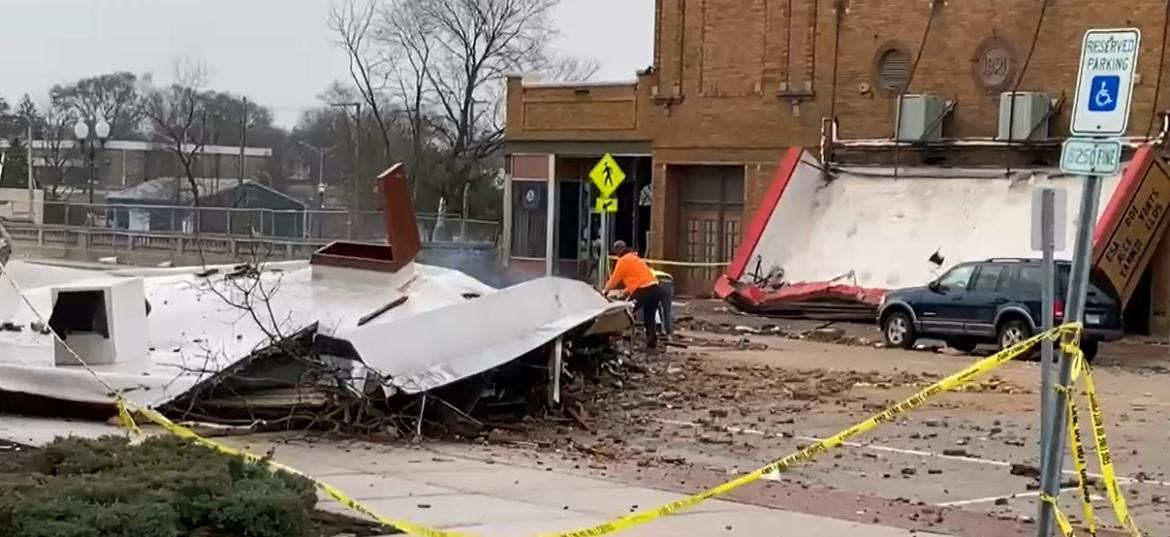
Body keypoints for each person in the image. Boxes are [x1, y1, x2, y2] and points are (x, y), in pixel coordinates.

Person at [605, 240, 666, 349]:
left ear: (617, 251)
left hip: (644, 290)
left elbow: (614, 279)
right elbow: (638, 280)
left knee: (627, 310)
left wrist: (605, 291)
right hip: (655, 289)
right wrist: (626, 292)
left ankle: (625, 335)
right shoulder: (636, 259)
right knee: (649, 316)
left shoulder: (623, 261)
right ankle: (652, 340)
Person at [652, 268, 674, 338]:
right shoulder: (657, 272)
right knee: (667, 310)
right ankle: (669, 331)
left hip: (658, 282)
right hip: (669, 284)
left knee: (653, 307)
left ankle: (657, 329)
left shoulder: (646, 272)